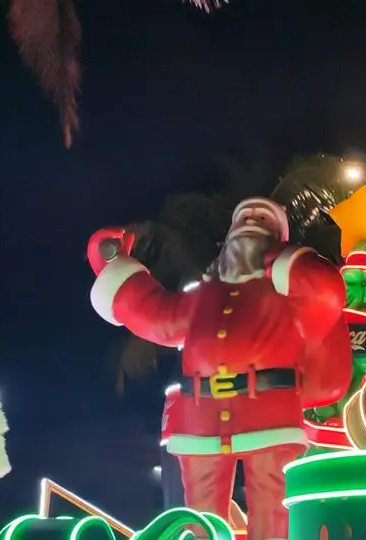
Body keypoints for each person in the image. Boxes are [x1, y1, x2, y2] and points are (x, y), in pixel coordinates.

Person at [87, 197, 352, 540]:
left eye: (262, 218)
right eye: (244, 216)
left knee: (274, 513)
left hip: (270, 408)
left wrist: (281, 260)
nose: (251, 221)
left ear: (279, 236)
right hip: (201, 413)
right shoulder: (203, 294)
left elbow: (325, 291)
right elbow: (159, 316)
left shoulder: (288, 292)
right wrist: (115, 265)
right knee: (201, 519)